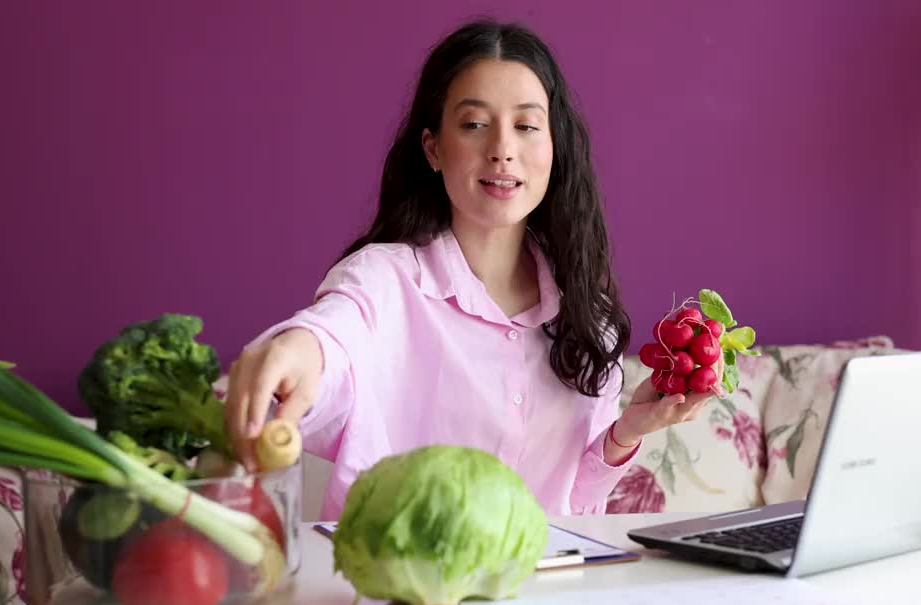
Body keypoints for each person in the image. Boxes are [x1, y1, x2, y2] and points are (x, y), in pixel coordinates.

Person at [225, 19, 714, 521]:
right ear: (433, 148)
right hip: (400, 588)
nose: (502, 148)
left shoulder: (588, 313)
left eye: (526, 126)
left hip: (544, 593)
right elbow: (333, 337)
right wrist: (297, 349)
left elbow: (573, 509)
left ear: (553, 148)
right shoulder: (383, 280)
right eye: (475, 124)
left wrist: (626, 431)